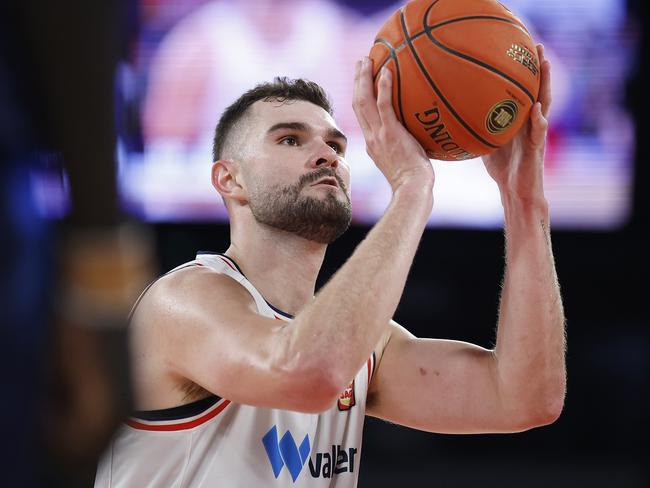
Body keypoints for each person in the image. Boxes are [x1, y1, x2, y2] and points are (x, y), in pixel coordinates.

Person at [95, 45, 566, 487]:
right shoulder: (184, 301)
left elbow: (524, 399)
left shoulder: (361, 342)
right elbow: (305, 373)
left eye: (336, 146)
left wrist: (523, 200)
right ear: (229, 179)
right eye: (289, 139)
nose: (326, 154)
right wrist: (412, 187)